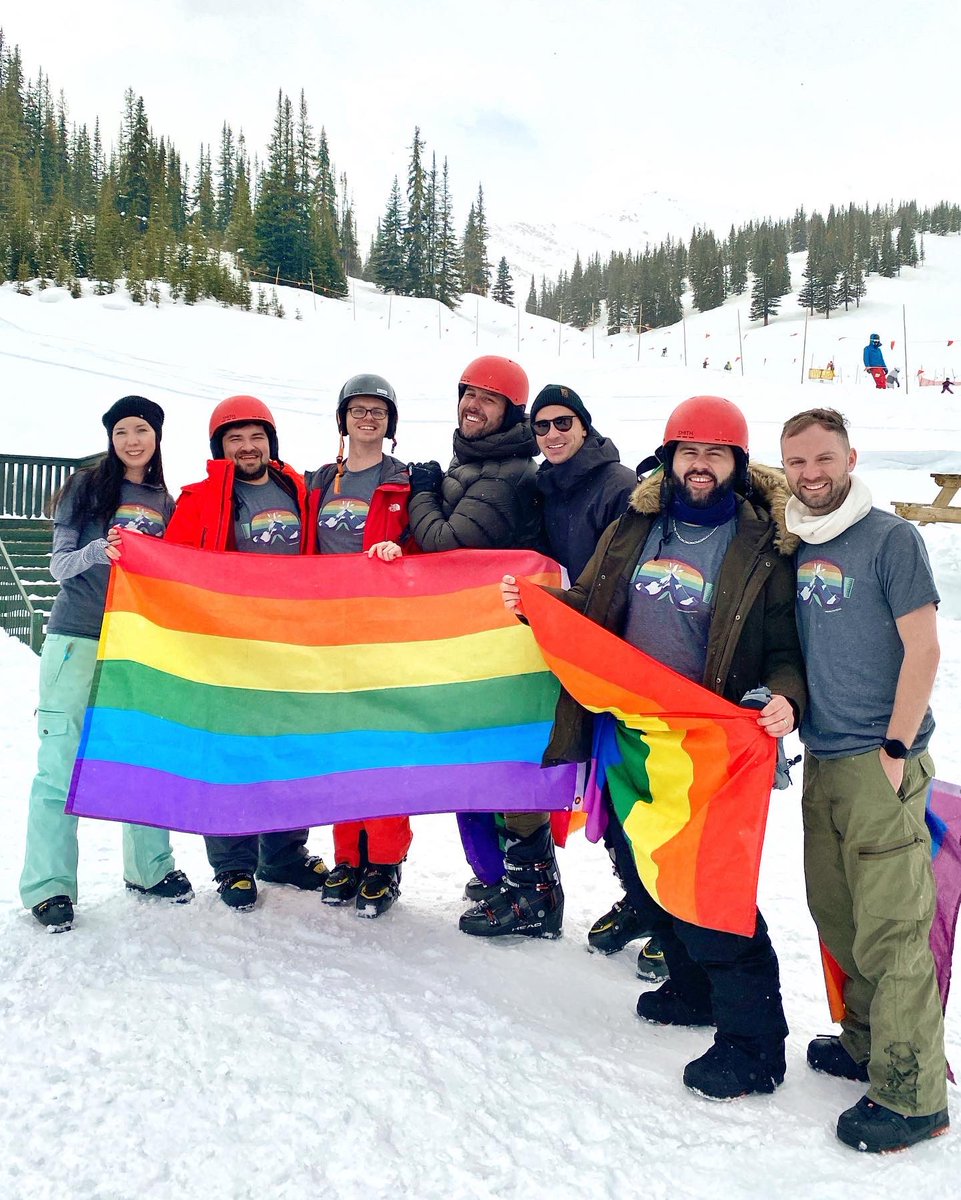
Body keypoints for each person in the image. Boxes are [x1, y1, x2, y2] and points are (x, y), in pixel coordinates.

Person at [504, 394, 806, 1100]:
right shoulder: (638, 521)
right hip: (628, 732)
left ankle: (753, 1044)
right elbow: (597, 604)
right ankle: (691, 987)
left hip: (709, 741)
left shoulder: (764, 543)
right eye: (688, 452)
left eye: (715, 453)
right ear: (669, 459)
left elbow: (787, 646)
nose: (700, 465)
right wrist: (541, 608)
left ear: (735, 462)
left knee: (710, 885)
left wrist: (783, 695)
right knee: (640, 868)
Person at [780, 407, 948, 1153]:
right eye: (796, 464)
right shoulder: (796, 537)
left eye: (822, 460)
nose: (810, 475)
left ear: (849, 457)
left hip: (879, 760)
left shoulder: (890, 537)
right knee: (839, 914)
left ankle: (910, 1095)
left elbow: (924, 648)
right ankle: (865, 1041)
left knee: (892, 930)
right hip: (823, 759)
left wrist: (894, 746)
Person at [20, 396, 194, 932]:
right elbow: (59, 566)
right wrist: (103, 550)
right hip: (76, 637)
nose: (132, 440)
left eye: (141, 429)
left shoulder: (167, 501)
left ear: (157, 437)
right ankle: (49, 886)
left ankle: (149, 868)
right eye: (121, 431)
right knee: (61, 760)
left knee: (142, 755)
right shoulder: (85, 490)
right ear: (111, 439)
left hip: (138, 646)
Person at [407, 355, 560, 938]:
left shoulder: (507, 473)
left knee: (509, 759)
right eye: (468, 394)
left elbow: (450, 544)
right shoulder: (478, 462)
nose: (473, 405)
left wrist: (421, 493)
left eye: (487, 400)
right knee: (485, 756)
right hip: (481, 640)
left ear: (509, 414)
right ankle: (512, 879)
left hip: (505, 643)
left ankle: (535, 892)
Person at [166, 395, 328, 910]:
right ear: (220, 447)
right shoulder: (199, 497)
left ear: (270, 442)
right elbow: (173, 563)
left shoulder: (298, 489)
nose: (247, 446)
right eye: (235, 439)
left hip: (290, 643)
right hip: (229, 646)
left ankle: (282, 853)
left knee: (289, 748)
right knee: (232, 752)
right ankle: (234, 865)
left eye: (256, 436)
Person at [528, 382, 665, 979]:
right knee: (605, 787)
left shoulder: (616, 486)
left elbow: (629, 569)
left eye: (564, 424)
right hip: (571, 645)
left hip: (618, 650)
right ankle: (639, 899)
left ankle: (669, 917)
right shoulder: (542, 485)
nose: (553, 435)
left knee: (639, 785)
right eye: (543, 426)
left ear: (585, 427)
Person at [305, 373, 412, 917]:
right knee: (339, 744)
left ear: (390, 422)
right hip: (328, 631)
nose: (367, 419)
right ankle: (347, 854)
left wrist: (403, 551)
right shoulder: (322, 480)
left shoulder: (406, 480)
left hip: (382, 630)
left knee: (381, 742)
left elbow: (427, 543)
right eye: (358, 410)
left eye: (378, 411)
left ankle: (385, 860)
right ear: (343, 419)